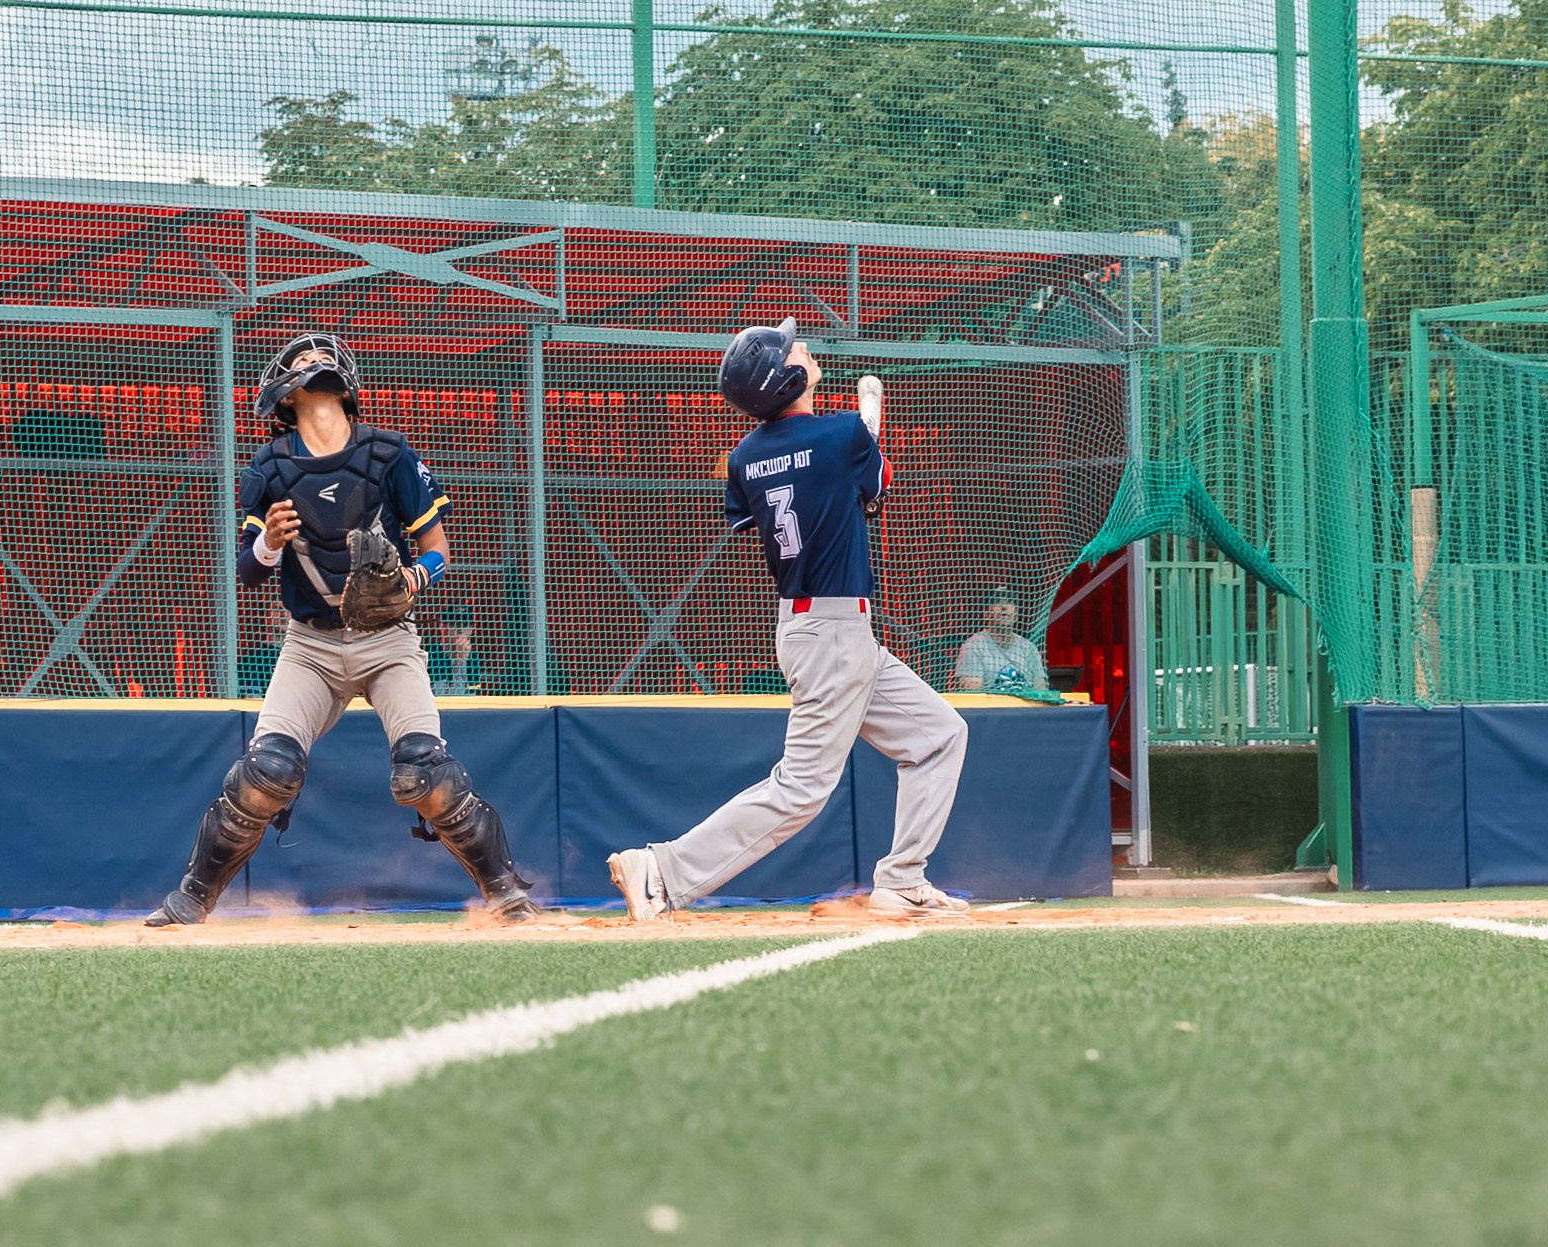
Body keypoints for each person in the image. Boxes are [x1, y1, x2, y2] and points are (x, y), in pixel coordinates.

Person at [148, 333, 542, 925]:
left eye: (318, 361)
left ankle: (507, 894)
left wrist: (411, 580)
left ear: (345, 386)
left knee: (423, 774)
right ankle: (190, 901)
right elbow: (247, 571)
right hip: (310, 644)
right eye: (299, 363)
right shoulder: (270, 465)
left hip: (388, 640)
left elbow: (438, 550)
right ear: (283, 398)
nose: (311, 365)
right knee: (265, 774)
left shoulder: (388, 452)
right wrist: (269, 542)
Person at [606, 320, 971, 920]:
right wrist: (864, 437)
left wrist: (855, 450)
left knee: (939, 736)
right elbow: (874, 490)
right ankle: (664, 871)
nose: (802, 347)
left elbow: (814, 492)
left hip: (818, 629)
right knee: (801, 788)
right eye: (792, 349)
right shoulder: (844, 434)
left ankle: (903, 879)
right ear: (788, 377)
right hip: (832, 630)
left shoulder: (746, 457)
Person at [953, 588, 1048, 693]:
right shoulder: (974, 645)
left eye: (1009, 602)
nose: (1004, 607)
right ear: (986, 615)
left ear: (1016, 615)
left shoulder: (1028, 647)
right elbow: (972, 694)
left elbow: (1041, 690)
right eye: (997, 602)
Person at [425, 604, 478, 696]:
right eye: (454, 624)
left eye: (466, 625)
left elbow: (473, 694)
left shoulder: (472, 655)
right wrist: (460, 661)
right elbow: (444, 696)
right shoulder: (431, 654)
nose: (460, 630)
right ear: (442, 626)